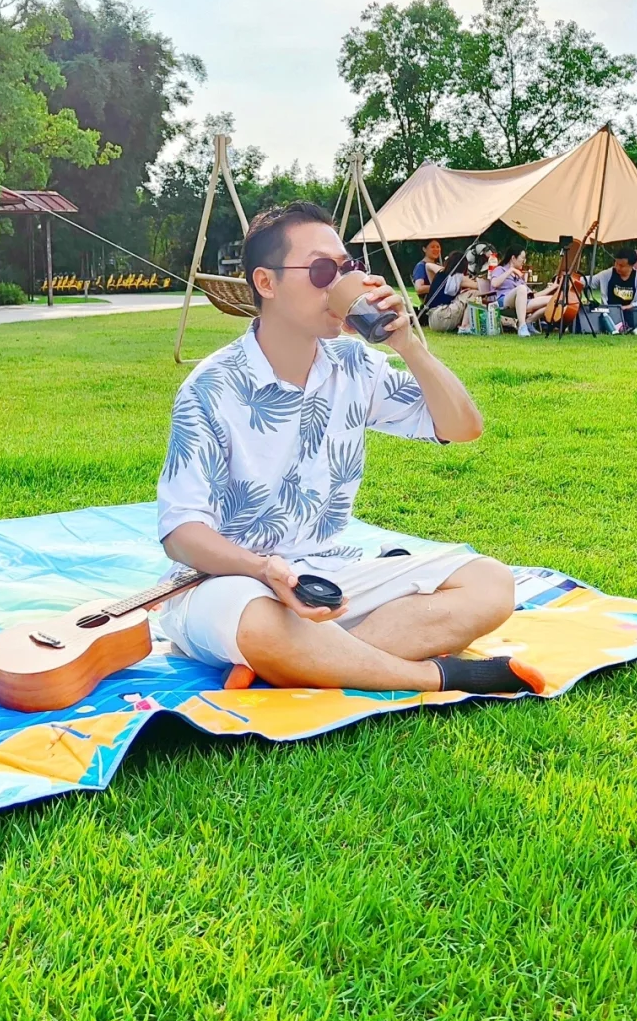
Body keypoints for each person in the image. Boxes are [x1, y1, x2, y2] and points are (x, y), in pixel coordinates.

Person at [157, 202, 544, 697]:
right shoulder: (210, 387)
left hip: (330, 576)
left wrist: (409, 345)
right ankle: (437, 676)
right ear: (267, 283)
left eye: (346, 268)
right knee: (256, 621)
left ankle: (303, 660)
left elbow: (463, 427)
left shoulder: (353, 364)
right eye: (322, 271)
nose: (339, 283)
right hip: (228, 582)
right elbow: (181, 533)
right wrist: (264, 569)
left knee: (491, 583)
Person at [488, 247, 557, 338]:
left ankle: (529, 321)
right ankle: (522, 326)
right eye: (523, 258)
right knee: (521, 288)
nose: (524, 261)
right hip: (504, 301)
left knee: (554, 300)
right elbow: (494, 283)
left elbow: (533, 296)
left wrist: (553, 287)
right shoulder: (500, 269)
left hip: (522, 303)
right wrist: (511, 270)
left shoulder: (519, 277)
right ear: (513, 258)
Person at [586, 248, 637, 328]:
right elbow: (588, 281)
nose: (617, 267)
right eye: (616, 263)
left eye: (621, 266)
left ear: (631, 265)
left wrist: (630, 306)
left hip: (630, 314)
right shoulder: (606, 274)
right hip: (610, 314)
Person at [422, 251, 479, 333]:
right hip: (443, 317)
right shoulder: (459, 278)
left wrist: (433, 284)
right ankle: (464, 326)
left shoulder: (440, 272)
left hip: (432, 320)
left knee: (463, 295)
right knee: (472, 293)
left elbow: (427, 265)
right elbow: (479, 287)